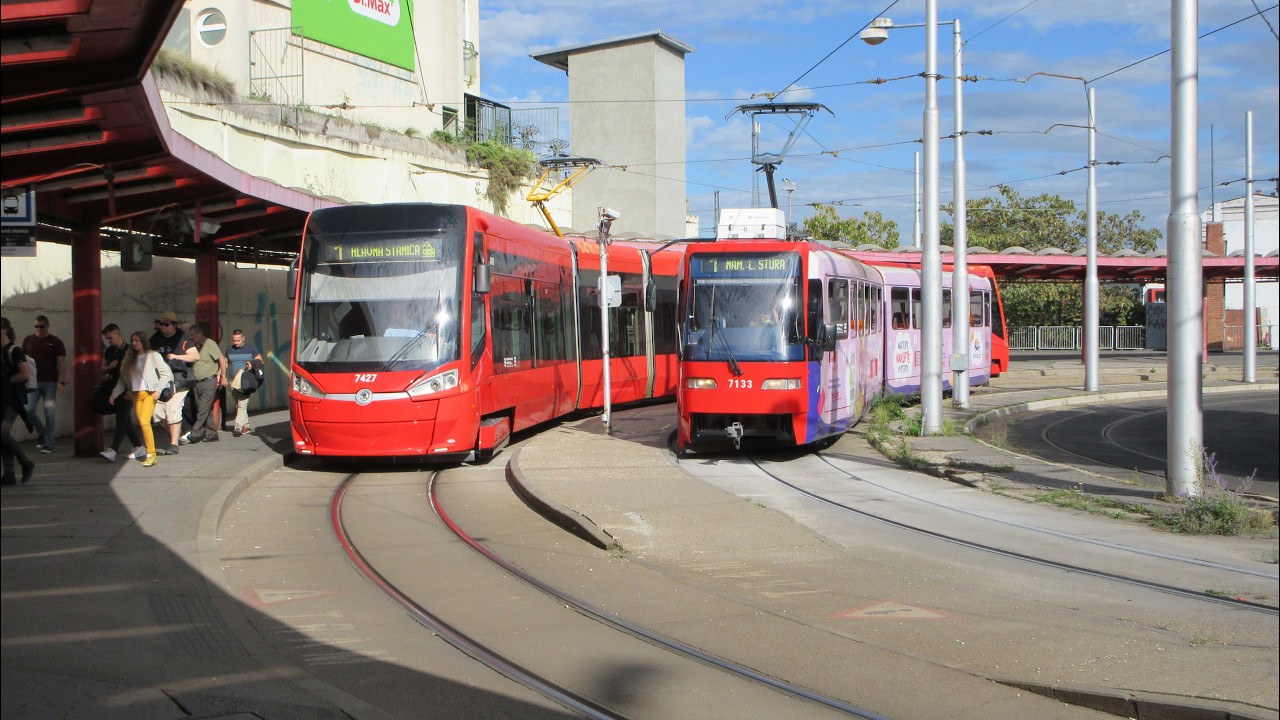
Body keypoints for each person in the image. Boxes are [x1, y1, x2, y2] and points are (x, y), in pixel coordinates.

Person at [111, 331, 172, 468]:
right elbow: (123, 380)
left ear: (143, 342)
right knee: (142, 422)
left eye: (137, 340)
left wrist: (158, 390)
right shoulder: (129, 358)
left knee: (144, 422)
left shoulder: (153, 356)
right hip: (136, 394)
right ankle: (148, 452)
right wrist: (115, 394)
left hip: (150, 393)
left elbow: (166, 373)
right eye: (132, 340)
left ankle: (151, 454)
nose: (134, 343)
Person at [22, 314, 67, 454]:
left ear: (48, 326)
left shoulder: (55, 341)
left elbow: (61, 363)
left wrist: (62, 382)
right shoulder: (28, 340)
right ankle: (42, 433)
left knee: (49, 412)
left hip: (50, 382)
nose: (39, 329)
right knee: (28, 409)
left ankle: (48, 443)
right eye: (36, 326)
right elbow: (23, 361)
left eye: (41, 326)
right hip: (32, 382)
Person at [99, 324, 145, 462]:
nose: (109, 341)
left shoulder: (129, 351)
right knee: (125, 420)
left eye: (110, 338)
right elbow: (102, 368)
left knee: (121, 418)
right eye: (107, 339)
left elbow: (136, 373)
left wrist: (132, 391)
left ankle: (114, 449)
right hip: (115, 387)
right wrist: (108, 368)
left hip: (127, 389)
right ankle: (138, 446)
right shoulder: (109, 351)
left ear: (118, 334)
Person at [150, 310, 193, 456]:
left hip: (179, 379)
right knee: (156, 413)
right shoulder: (156, 338)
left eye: (166, 324)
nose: (163, 327)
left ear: (174, 325)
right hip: (161, 381)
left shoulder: (182, 338)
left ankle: (174, 444)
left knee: (173, 410)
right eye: (161, 324)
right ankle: (177, 433)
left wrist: (177, 356)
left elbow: (195, 356)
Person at [176, 322, 225, 444]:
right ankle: (211, 433)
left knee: (203, 409)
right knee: (204, 408)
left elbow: (222, 359)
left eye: (193, 335)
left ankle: (196, 433)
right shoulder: (195, 347)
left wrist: (222, 376)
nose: (191, 338)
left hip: (209, 380)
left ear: (199, 333)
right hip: (197, 382)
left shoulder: (209, 344)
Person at [2, 318, 36, 485]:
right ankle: (9, 474)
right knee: (2, 437)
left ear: (4, 330)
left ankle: (26, 462)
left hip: (12, 400)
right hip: (2, 399)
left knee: (2, 432)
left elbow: (25, 374)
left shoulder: (14, 350)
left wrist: (6, 381)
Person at [224, 329, 264, 437]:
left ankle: (238, 426)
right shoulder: (230, 349)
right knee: (238, 404)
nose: (236, 343)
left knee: (242, 404)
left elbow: (261, 361)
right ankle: (246, 426)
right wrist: (222, 375)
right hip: (234, 382)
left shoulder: (251, 349)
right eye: (234, 341)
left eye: (238, 340)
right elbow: (225, 363)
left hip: (246, 381)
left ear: (243, 338)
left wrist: (252, 363)